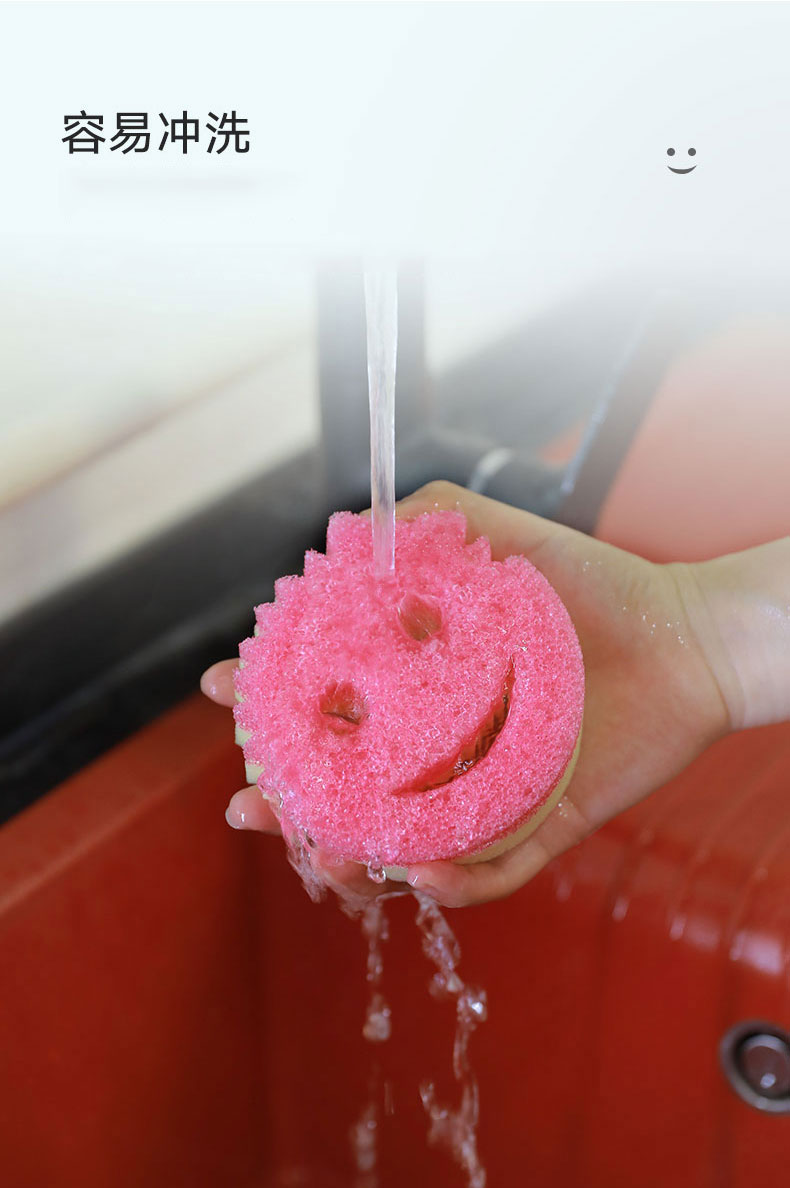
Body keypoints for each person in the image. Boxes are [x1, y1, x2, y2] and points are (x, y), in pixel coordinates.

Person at [200, 480, 790, 908]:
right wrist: (700, 640)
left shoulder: (509, 628)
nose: (421, 701)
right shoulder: (288, 705)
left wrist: (699, 640)